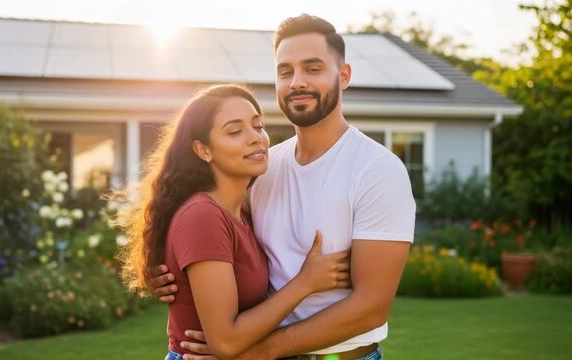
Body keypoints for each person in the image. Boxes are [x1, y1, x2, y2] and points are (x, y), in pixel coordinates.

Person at [150, 14, 416, 360]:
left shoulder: (378, 170)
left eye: (313, 68)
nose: (297, 82)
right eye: (285, 71)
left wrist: (257, 353)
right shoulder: (262, 168)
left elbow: (370, 308)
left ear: (344, 76)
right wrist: (167, 276)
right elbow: (212, 234)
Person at [117, 84, 351, 360]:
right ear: (203, 150)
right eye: (235, 131)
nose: (256, 138)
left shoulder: (242, 211)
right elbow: (225, 342)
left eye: (258, 125)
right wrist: (306, 283)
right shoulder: (202, 216)